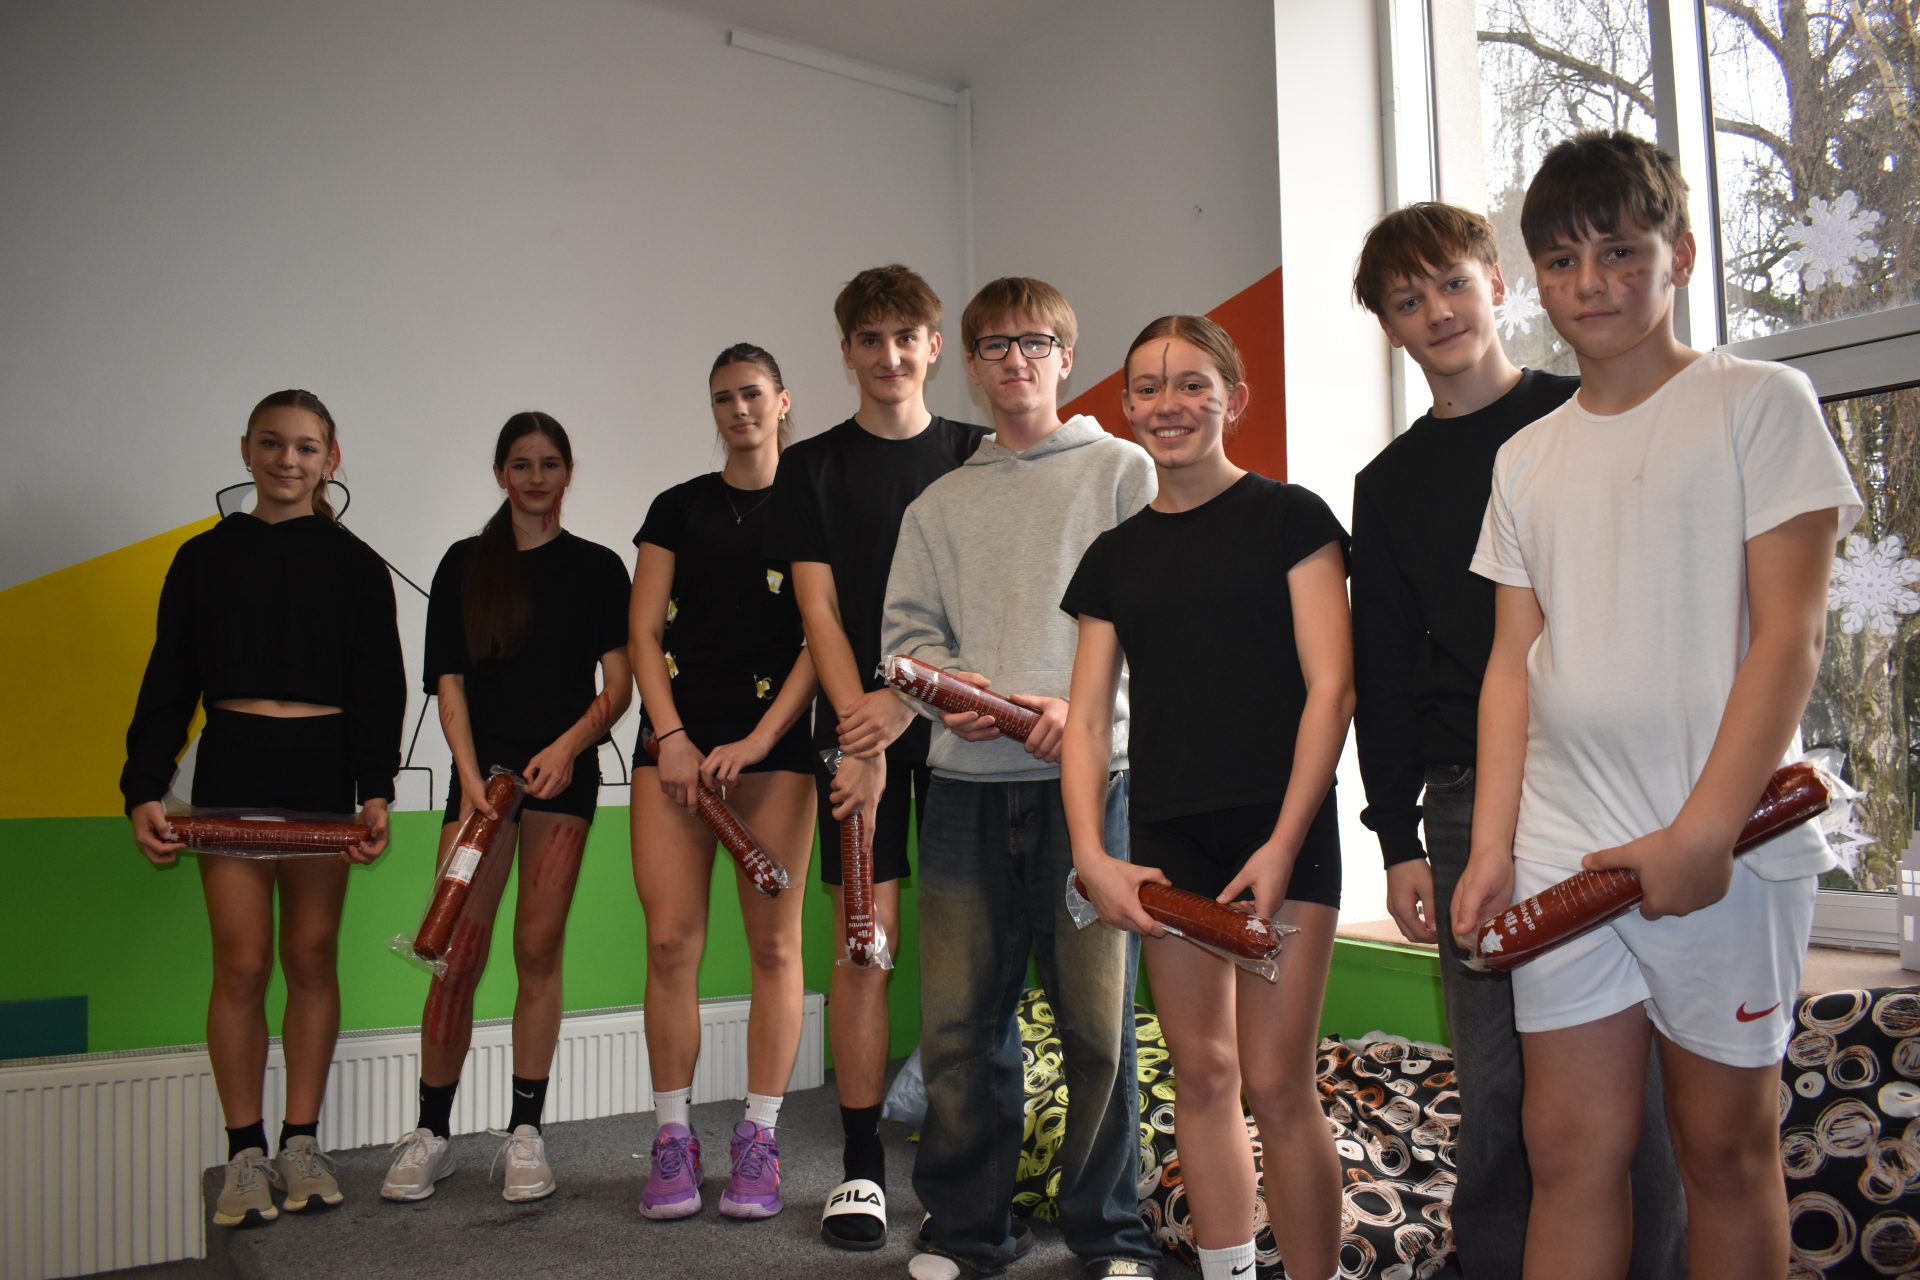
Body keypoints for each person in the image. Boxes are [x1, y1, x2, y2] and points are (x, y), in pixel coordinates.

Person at [1450, 131, 1861, 1280]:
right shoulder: (1524, 457)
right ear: (1536, 280)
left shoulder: (1759, 403)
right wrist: (1492, 845)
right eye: (1563, 261)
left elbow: (1790, 634)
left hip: (1724, 840)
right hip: (1561, 848)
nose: (1592, 283)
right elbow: (1510, 664)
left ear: (1678, 254)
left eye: (1621, 252)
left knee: (1722, 1149)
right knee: (1568, 1147)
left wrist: (1705, 829)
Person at [1347, 202, 1686, 1278]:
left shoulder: (1583, 412)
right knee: (1497, 1081)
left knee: (1637, 1085)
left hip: (1614, 780)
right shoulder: (1387, 485)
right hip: (1465, 804)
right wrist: (1396, 836)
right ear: (1389, 326)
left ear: (1496, 284)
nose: (1437, 311)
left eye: (1452, 282)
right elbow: (1382, 674)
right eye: (1408, 300)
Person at [888, 277, 1161, 1280]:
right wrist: (945, 690)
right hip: (965, 790)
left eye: (1035, 342)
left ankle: (1110, 1235)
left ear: (1065, 357)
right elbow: (905, 640)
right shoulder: (939, 504)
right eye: (995, 345)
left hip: (1094, 790)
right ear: (970, 364)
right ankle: (968, 1231)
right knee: (960, 1026)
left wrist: (1084, 714)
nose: (1015, 360)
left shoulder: (1124, 472)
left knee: (1098, 1027)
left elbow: (1162, 630)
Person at [1064, 315, 1347, 1280]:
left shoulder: (1292, 518)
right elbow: (1087, 720)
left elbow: (1332, 689)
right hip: (1168, 838)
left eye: (1193, 384)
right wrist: (1093, 858)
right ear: (1124, 407)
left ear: (1235, 398)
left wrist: (1284, 842)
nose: (1169, 404)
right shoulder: (1113, 557)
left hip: (1282, 833)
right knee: (1205, 1070)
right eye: (1148, 388)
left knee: (1276, 1081)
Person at [122, 389, 404, 1227]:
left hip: (323, 776)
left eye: (306, 447)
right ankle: (245, 1152)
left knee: (311, 958)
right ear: (246, 450)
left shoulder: (358, 565)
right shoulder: (202, 559)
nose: (288, 460)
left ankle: (300, 1142)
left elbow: (379, 688)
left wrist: (377, 790)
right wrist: (142, 788)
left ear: (331, 458)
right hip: (234, 769)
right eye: (273, 444)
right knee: (242, 966)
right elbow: (169, 679)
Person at [762, 264, 987, 1250]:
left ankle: (961, 1181)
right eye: (870, 339)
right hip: (855, 739)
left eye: (906, 337)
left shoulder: (980, 455)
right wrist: (861, 729)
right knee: (866, 947)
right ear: (847, 351)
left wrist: (908, 707)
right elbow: (818, 611)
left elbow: (989, 606)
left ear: (933, 346)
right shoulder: (811, 467)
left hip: (966, 734)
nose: (889, 355)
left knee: (965, 960)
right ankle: (860, 1170)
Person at [381, 412, 632, 1205]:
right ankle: (432, 1133)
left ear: (567, 473)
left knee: (538, 949)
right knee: (455, 954)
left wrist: (569, 748)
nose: (535, 477)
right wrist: (467, 778)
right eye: (521, 464)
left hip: (563, 781)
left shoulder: (597, 567)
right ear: (500, 474)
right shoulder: (464, 563)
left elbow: (619, 686)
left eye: (549, 463)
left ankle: (526, 1132)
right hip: (479, 784)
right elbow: (447, 682)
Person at [629, 344, 818, 1221]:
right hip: (673, 754)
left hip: (772, 754)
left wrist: (759, 739)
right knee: (671, 944)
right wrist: (670, 737)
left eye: (751, 394)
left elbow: (822, 639)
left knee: (775, 949)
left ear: (782, 401)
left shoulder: (813, 508)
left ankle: (760, 1137)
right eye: (722, 398)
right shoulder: (677, 507)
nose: (738, 409)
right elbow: (643, 633)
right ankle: (672, 1138)